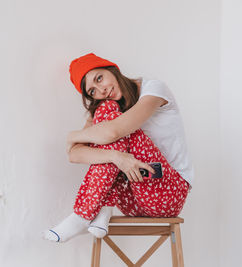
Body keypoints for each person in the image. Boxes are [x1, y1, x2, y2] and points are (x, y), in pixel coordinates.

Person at [43, 53, 194, 243]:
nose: (102, 90)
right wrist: (117, 157)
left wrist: (72, 136)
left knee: (112, 125)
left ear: (111, 69)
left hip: (167, 194)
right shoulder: (105, 109)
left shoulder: (153, 89)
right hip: (130, 199)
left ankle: (83, 215)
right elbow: (74, 154)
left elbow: (112, 132)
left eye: (99, 78)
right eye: (92, 91)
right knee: (105, 114)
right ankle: (103, 209)